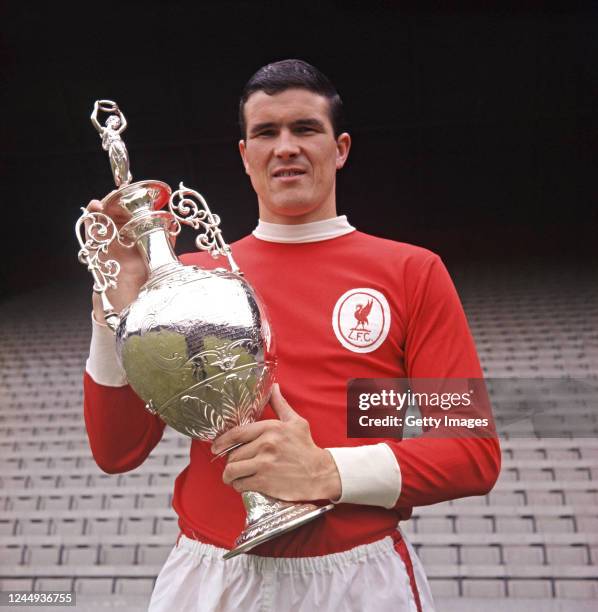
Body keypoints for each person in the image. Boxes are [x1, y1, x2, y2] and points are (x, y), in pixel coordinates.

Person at [83, 59, 501, 611]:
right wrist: (117, 301)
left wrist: (329, 470)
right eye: (266, 132)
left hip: (357, 580)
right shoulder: (193, 283)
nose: (285, 147)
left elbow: (469, 452)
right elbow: (117, 451)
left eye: (305, 128)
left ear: (341, 148)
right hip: (212, 578)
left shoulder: (408, 271)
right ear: (244, 155)